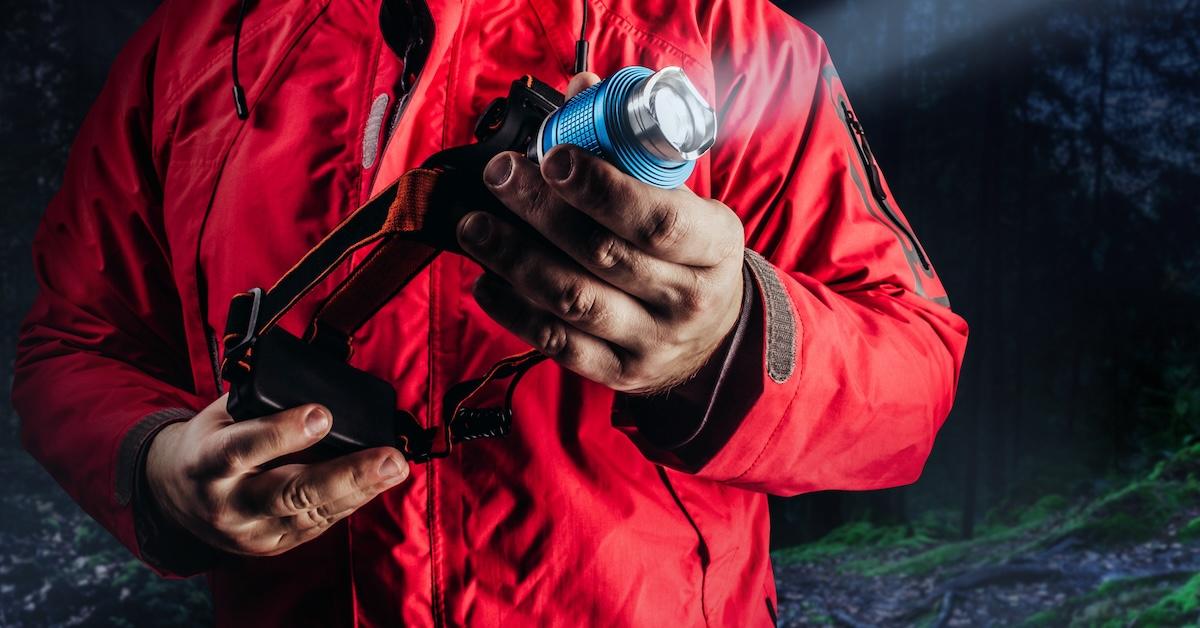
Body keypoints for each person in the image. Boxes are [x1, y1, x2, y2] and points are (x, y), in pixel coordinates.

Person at [13, 0, 968, 624]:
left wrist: (727, 340)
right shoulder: (186, 55)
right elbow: (72, 344)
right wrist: (154, 467)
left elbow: (913, 376)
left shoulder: (737, 45)